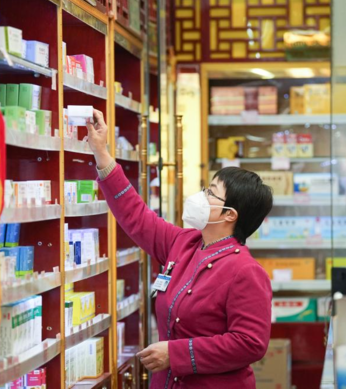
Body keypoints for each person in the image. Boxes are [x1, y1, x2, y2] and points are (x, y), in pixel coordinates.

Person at [87, 109, 273, 389]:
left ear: (229, 215)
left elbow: (250, 343)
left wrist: (176, 354)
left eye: (211, 193)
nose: (201, 196)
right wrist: (101, 152)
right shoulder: (183, 243)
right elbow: (135, 215)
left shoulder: (245, 271)